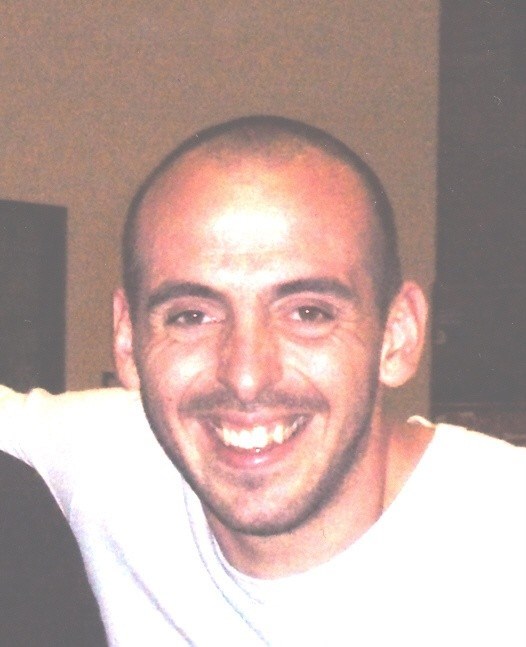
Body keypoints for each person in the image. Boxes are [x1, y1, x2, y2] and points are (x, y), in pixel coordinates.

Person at [0, 116, 525, 646]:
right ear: (128, 340)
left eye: (309, 313)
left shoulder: (507, 550)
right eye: (191, 316)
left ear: (397, 335)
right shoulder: (110, 461)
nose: (246, 376)